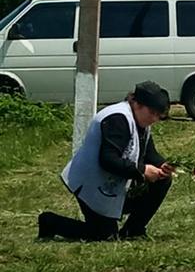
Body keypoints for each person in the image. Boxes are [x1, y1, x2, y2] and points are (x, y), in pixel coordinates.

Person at [38, 81, 174, 241]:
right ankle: (50, 222)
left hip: (111, 182)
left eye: (158, 115)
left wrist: (165, 166)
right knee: (104, 235)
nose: (155, 119)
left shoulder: (140, 121)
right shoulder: (117, 118)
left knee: (163, 180)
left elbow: (150, 154)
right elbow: (108, 160)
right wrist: (142, 171)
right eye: (152, 113)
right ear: (137, 104)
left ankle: (133, 230)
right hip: (90, 182)